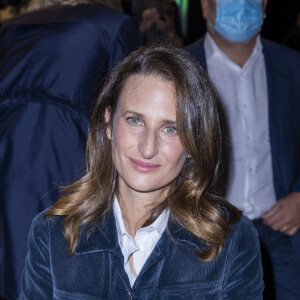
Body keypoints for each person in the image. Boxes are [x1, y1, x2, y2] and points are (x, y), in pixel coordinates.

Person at [19, 44, 263, 299]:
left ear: (194, 142)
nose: (148, 148)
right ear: (108, 123)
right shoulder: (53, 233)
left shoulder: (231, 240)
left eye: (171, 129)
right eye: (135, 120)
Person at [0, 1, 142, 299]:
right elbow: (131, 115)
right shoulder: (112, 25)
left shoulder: (11, 27)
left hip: (7, 155)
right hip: (63, 157)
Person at [185, 0, 300, 299]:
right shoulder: (180, 69)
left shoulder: (293, 65)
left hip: (282, 232)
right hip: (207, 232)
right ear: (205, 5)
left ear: (264, 4)